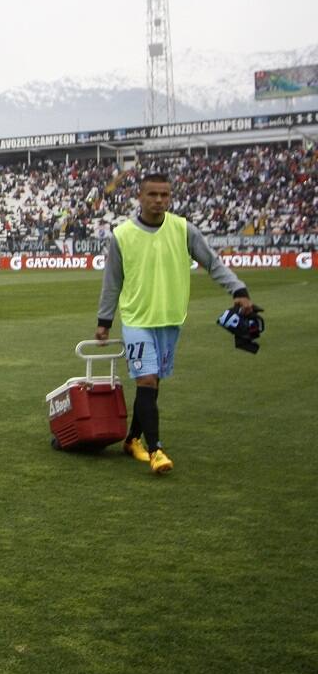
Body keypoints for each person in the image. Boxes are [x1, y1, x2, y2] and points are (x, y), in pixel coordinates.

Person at [95, 173, 255, 475]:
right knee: (146, 380)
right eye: (152, 194)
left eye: (164, 195)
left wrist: (238, 289)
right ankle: (156, 450)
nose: (159, 200)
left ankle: (132, 440)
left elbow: (213, 263)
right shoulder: (122, 235)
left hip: (170, 319)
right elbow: (112, 282)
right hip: (136, 319)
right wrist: (104, 321)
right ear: (140, 197)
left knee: (152, 383)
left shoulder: (183, 229)